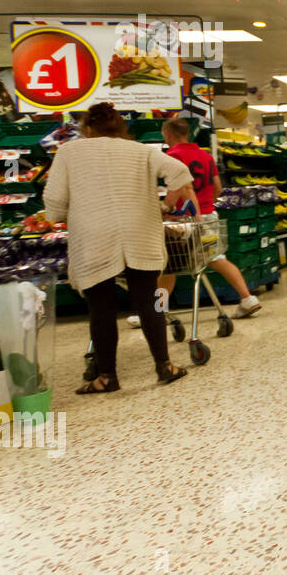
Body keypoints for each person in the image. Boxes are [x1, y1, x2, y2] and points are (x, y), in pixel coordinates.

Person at [43, 103, 196, 393]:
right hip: (140, 232)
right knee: (149, 301)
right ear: (120, 127)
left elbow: (54, 200)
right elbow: (179, 171)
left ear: (88, 128)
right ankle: (164, 366)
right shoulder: (141, 150)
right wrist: (166, 205)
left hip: (94, 235)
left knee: (101, 307)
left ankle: (107, 377)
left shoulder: (69, 152)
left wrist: (60, 215)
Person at [128, 117, 262, 325]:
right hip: (208, 215)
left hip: (184, 221)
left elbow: (178, 186)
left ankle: (157, 311)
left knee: (170, 265)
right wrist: (207, 203)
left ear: (168, 134)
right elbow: (218, 187)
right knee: (216, 258)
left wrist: (167, 208)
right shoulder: (205, 156)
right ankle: (247, 298)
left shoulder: (173, 155)